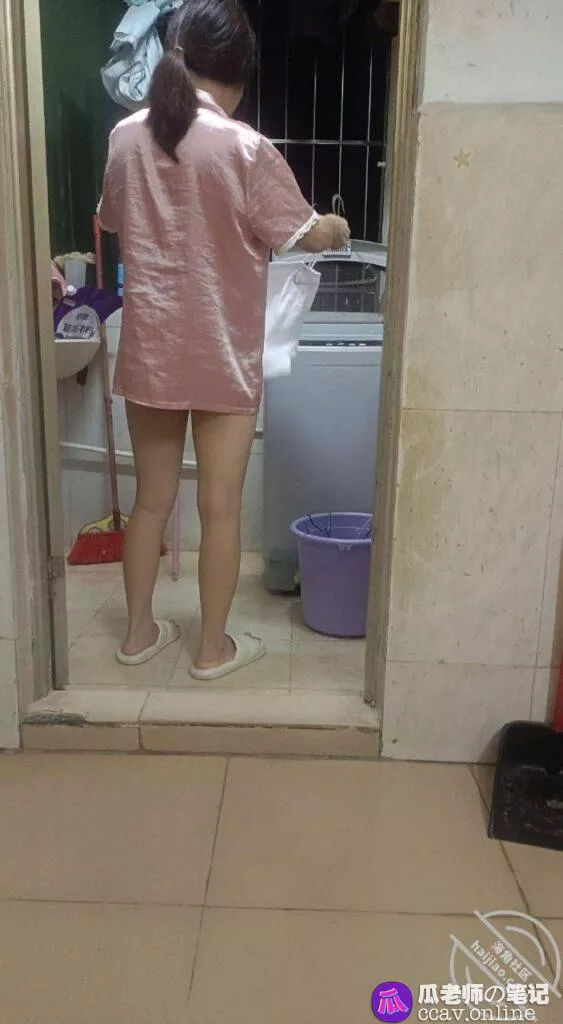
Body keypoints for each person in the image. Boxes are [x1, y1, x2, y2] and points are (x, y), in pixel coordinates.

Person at [98, 0, 350, 681]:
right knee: (219, 510)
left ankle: (137, 636)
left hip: (151, 351)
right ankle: (211, 650)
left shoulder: (124, 137)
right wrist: (334, 225)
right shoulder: (244, 148)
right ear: (240, 69)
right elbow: (303, 234)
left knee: (150, 502)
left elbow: (112, 219)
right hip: (222, 355)